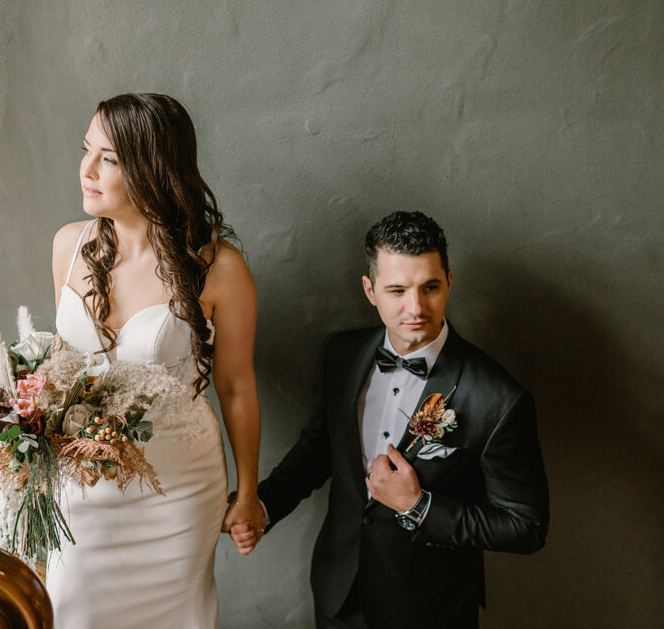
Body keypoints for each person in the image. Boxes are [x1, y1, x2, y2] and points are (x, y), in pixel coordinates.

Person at [232, 211, 549, 627]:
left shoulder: (498, 398)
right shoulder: (343, 354)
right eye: (397, 290)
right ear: (370, 289)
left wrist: (418, 507)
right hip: (339, 591)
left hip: (431, 607)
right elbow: (320, 448)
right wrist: (264, 506)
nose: (415, 308)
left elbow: (525, 527)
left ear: (449, 281)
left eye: (430, 287)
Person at [45, 93, 266, 628]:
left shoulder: (220, 268)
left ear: (152, 169)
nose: (87, 170)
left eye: (110, 159)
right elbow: (59, 361)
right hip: (81, 485)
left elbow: (236, 386)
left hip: (178, 488)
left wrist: (249, 492)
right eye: (86, 150)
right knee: (72, 611)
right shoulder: (68, 246)